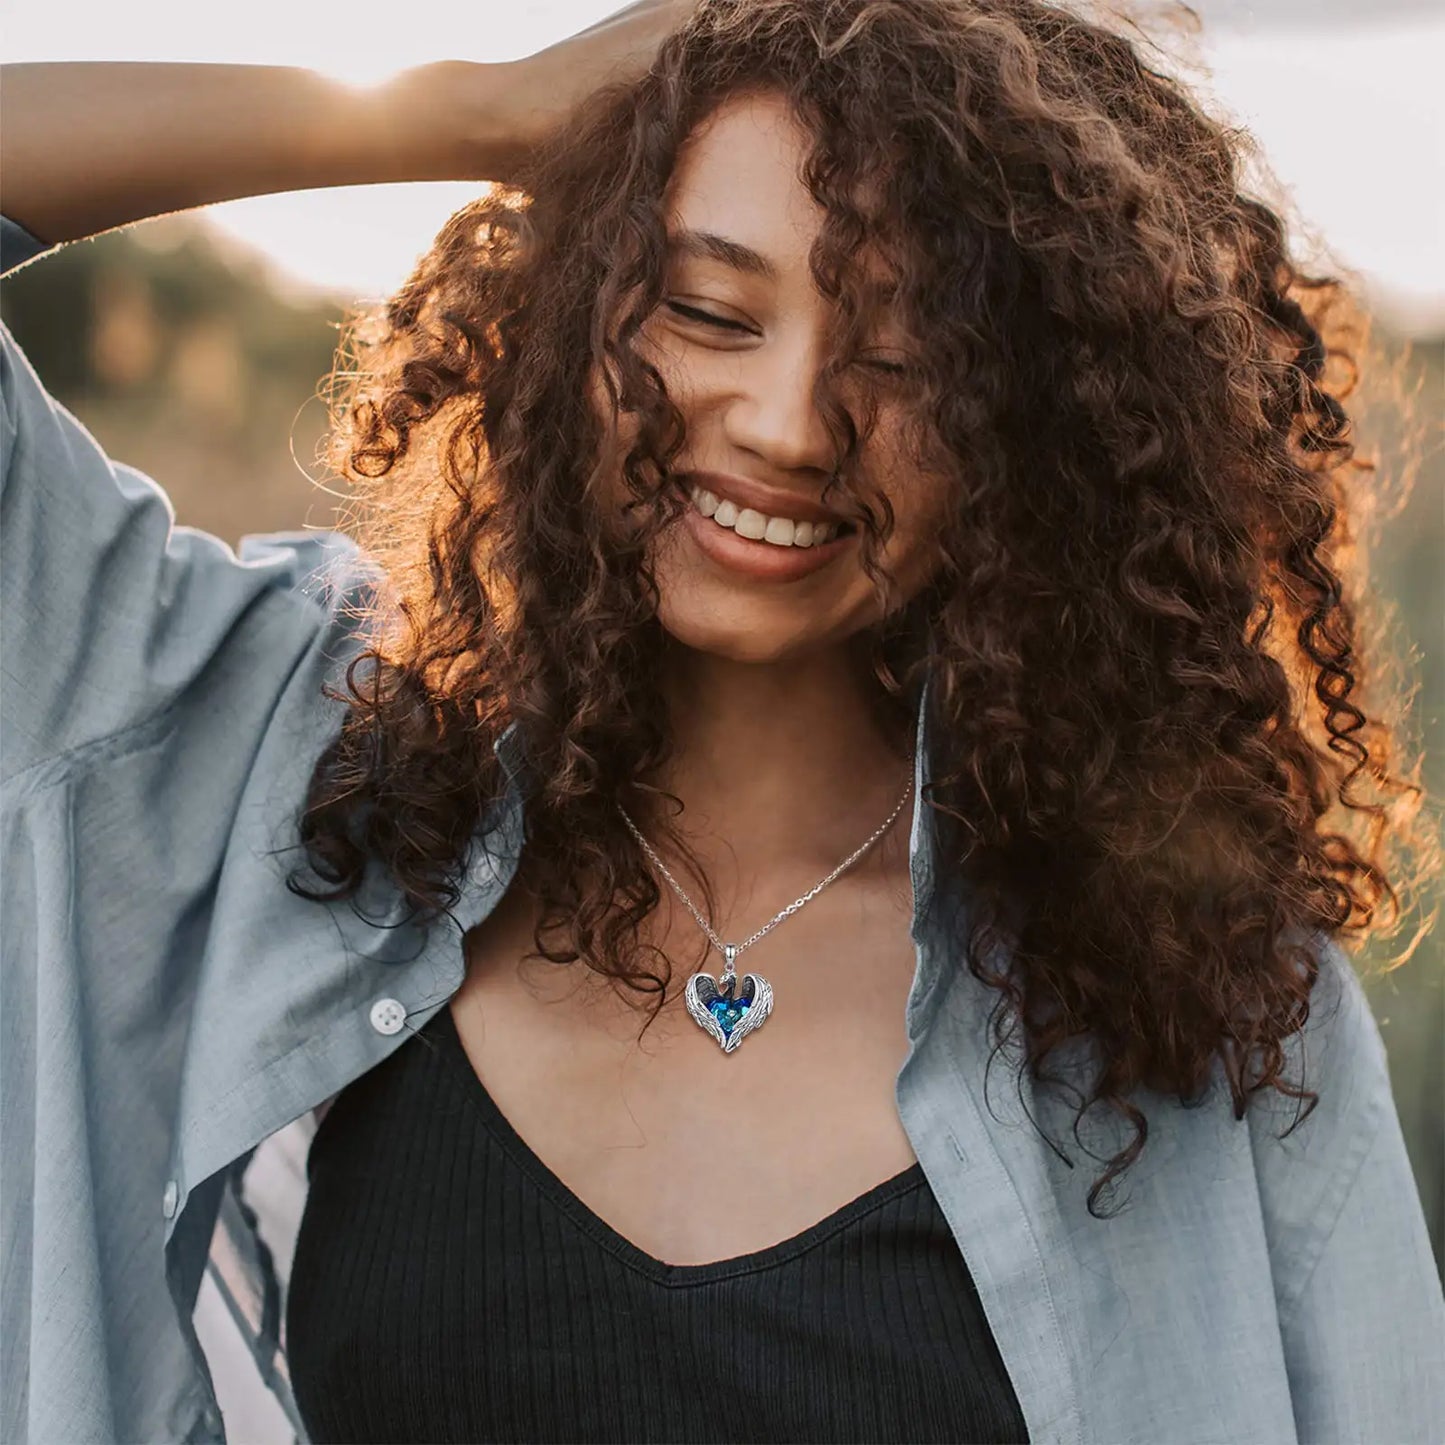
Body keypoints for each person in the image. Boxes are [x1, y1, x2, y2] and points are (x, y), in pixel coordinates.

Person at [2, 1, 1443, 1441]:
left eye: (899, 358)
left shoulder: (1198, 991)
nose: (787, 422)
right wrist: (473, 109)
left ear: (1028, 421)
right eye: (706, 309)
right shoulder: (322, 776)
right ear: (571, 310)